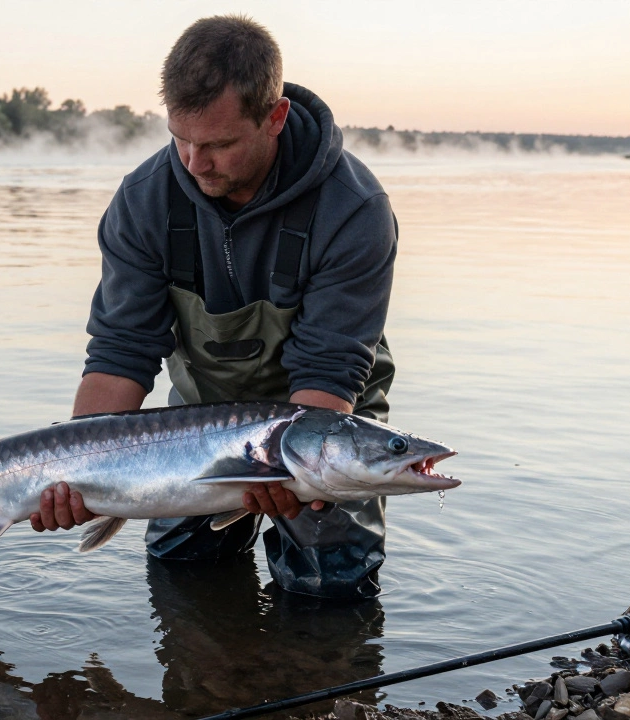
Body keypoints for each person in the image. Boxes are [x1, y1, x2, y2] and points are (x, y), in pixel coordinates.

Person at [28, 14, 398, 600]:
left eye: (219, 144)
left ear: (274, 118)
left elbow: (329, 369)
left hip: (322, 419)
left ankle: (328, 687)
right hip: (196, 421)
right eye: (182, 138)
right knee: (182, 574)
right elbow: (122, 351)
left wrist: (284, 474)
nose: (195, 164)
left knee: (329, 587)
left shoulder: (354, 209)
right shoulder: (145, 199)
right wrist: (77, 474)